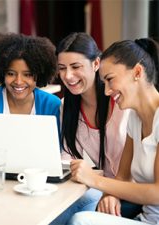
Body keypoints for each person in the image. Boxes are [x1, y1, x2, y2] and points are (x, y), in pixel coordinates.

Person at [67, 38, 159, 225]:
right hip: (144, 218)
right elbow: (123, 176)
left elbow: (157, 194)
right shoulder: (135, 117)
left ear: (137, 72)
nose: (107, 91)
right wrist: (110, 195)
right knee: (78, 206)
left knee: (80, 221)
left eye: (110, 80)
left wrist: (94, 179)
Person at [50, 32, 131, 224]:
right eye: (62, 68)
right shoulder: (66, 106)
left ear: (96, 64)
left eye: (76, 67)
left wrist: (113, 192)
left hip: (131, 193)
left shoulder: (123, 103)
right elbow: (67, 158)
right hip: (103, 189)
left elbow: (137, 168)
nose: (68, 76)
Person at [0, 33, 61, 129]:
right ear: (2, 73)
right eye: (11, 74)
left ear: (40, 74)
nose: (18, 81)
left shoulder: (52, 105)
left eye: (27, 75)